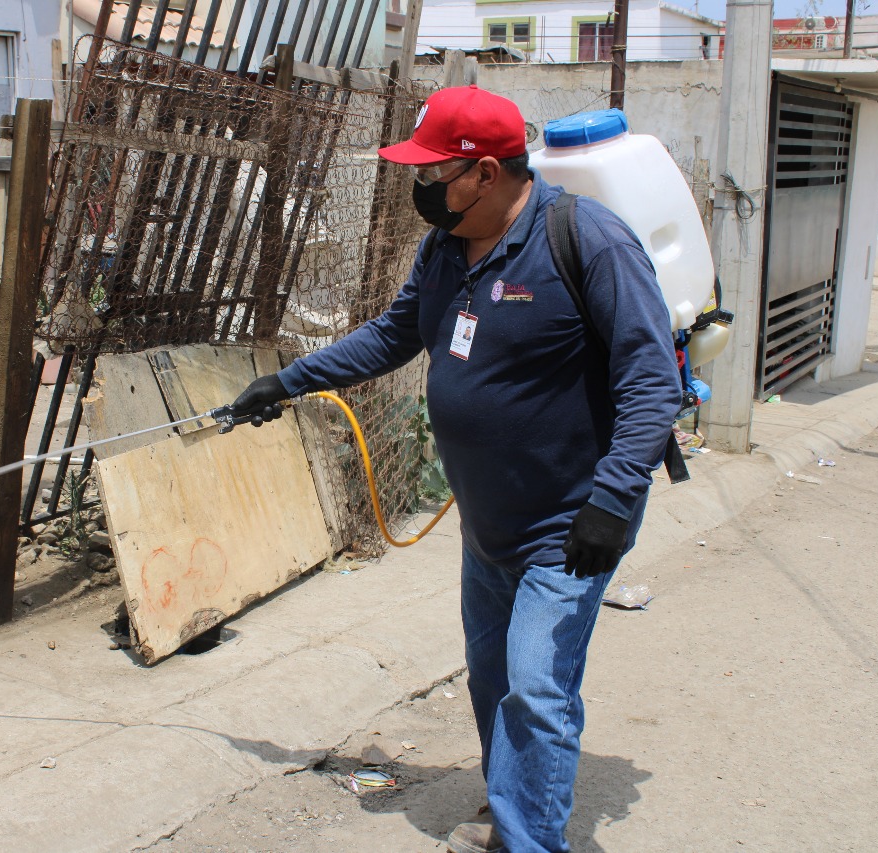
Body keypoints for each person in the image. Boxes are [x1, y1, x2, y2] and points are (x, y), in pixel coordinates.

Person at [230, 85, 681, 853]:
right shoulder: (446, 248)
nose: (421, 188)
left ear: (482, 172)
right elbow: (394, 335)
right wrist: (289, 379)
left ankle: (528, 839)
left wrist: (613, 498)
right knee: (492, 681)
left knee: (537, 688)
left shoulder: (587, 240)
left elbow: (650, 380)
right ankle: (515, 806)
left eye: (434, 172)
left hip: (571, 521)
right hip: (489, 520)